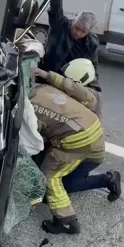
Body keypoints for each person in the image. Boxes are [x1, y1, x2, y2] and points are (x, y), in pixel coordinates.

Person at [33, 58, 121, 203]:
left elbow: (72, 88)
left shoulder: (91, 98)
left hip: (86, 153)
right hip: (67, 146)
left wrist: (47, 75)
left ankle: (108, 179)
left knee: (63, 186)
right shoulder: (75, 95)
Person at [29, 72, 105, 235]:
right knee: (70, 177)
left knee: (50, 175)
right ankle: (108, 179)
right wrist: (47, 74)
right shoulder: (45, 88)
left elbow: (32, 139)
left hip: (77, 139)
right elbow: (70, 86)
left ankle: (66, 220)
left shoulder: (28, 109)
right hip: (94, 129)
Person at [41, 0, 101, 91]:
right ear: (73, 20)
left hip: (70, 85)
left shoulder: (92, 43)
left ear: (88, 32)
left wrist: (95, 88)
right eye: (76, 28)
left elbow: (93, 67)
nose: (78, 33)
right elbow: (56, 11)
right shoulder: (60, 25)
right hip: (47, 76)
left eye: (82, 31)